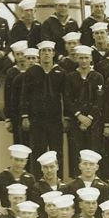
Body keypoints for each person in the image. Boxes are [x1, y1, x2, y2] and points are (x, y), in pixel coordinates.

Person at [21, 41, 66, 173]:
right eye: (43, 51)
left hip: (55, 119)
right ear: (39, 54)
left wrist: (66, 118)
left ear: (53, 53)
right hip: (37, 119)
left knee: (56, 151)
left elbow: (66, 97)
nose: (46, 53)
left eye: (49, 51)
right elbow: (25, 96)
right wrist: (25, 116)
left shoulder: (60, 72)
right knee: (38, 152)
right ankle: (37, 181)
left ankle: (58, 181)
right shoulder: (31, 72)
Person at [63, 46, 104, 173]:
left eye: (86, 58)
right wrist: (79, 116)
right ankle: (77, 179)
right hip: (76, 120)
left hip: (94, 121)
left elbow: (100, 100)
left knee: (93, 150)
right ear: (76, 59)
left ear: (91, 58)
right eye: (81, 58)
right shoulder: (70, 77)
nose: (84, 61)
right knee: (76, 151)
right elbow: (67, 99)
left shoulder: (98, 77)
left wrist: (90, 118)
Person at [0, 144, 36, 215]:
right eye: (16, 159)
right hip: (6, 216)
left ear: (26, 162)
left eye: (22, 160)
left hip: (24, 216)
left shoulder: (30, 179)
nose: (18, 163)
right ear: (11, 158)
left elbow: (33, 201)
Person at [4, 41, 31, 145]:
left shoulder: (33, 71)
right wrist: (8, 118)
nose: (21, 57)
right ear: (14, 56)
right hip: (16, 114)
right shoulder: (12, 73)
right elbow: (7, 96)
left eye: (23, 54)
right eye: (18, 54)